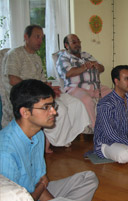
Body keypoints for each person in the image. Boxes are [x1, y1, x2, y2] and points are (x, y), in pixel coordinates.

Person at [0, 79, 98, 201]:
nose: (54, 112)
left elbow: (41, 181)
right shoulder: (6, 152)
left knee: (88, 178)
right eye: (46, 107)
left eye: (53, 105)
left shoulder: (38, 134)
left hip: (36, 195)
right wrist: (42, 187)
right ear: (25, 112)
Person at [1, 25, 90, 153]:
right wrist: (37, 89)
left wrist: (50, 88)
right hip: (26, 95)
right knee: (61, 110)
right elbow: (13, 80)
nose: (40, 41)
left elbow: (42, 81)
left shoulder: (36, 57)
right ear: (26, 37)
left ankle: (63, 139)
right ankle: (54, 141)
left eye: (42, 38)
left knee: (76, 104)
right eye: (37, 37)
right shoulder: (15, 54)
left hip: (41, 92)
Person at [56, 34, 112, 128]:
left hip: (96, 87)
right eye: (74, 42)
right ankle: (97, 131)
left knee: (114, 95)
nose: (77, 44)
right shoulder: (63, 58)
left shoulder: (87, 55)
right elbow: (67, 73)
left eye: (78, 41)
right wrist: (85, 67)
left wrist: (97, 66)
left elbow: (102, 68)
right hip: (76, 88)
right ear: (66, 45)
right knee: (87, 100)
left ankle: (114, 127)